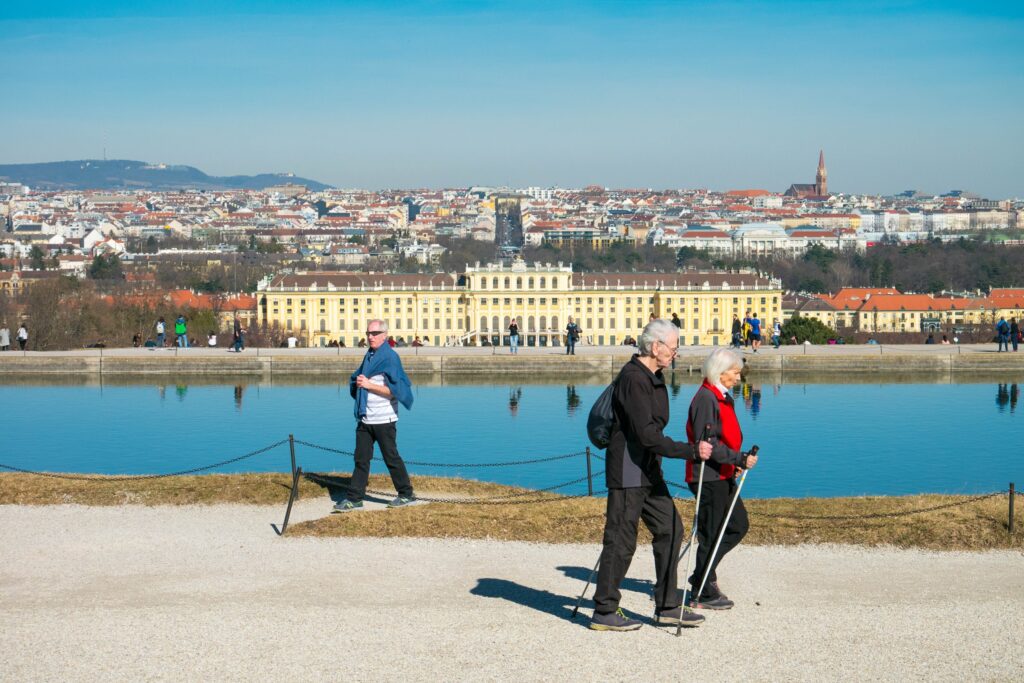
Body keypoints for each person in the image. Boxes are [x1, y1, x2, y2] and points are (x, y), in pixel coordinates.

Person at [590, 319, 713, 632]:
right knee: (621, 540)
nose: (675, 353)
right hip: (629, 470)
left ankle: (667, 605)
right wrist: (691, 450)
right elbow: (646, 435)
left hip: (647, 469)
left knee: (671, 527)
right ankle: (605, 610)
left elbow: (652, 433)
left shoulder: (653, 376)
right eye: (673, 348)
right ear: (655, 346)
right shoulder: (634, 379)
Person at [685, 348, 759, 611]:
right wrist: (738, 458)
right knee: (712, 533)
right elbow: (707, 444)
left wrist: (734, 462)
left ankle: (703, 575)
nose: (738, 379)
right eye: (735, 373)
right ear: (720, 371)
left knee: (738, 525)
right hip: (707, 476)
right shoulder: (706, 398)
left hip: (722, 473)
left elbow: (722, 437)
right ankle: (702, 590)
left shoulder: (722, 397)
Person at [335, 319, 416, 512]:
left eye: (374, 333)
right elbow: (360, 379)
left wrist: (369, 385)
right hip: (365, 417)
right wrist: (358, 382)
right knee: (361, 459)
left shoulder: (390, 358)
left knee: (391, 457)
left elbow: (394, 392)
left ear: (384, 335)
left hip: (384, 418)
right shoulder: (369, 355)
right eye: (368, 333)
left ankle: (406, 494)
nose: (370, 337)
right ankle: (355, 498)